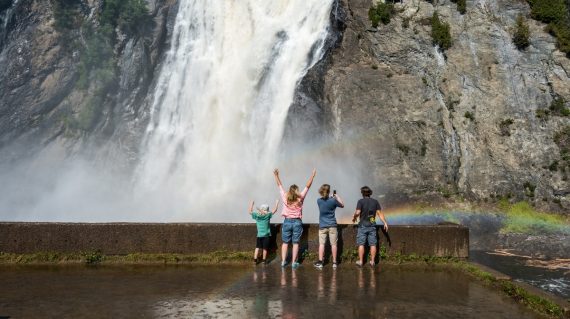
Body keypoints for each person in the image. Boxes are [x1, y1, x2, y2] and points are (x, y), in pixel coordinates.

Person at [274, 168, 316, 269]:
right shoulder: (300, 197)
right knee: (295, 243)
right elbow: (307, 186)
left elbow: (279, 186)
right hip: (297, 222)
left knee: (285, 243)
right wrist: (312, 176)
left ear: (289, 191)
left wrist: (276, 176)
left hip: (287, 221)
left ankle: (283, 261)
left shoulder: (285, 197)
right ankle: (293, 262)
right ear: (296, 191)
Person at [351, 186, 388, 267]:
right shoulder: (375, 202)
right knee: (373, 244)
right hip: (372, 225)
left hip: (362, 225)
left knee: (361, 244)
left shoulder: (360, 201)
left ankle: (361, 262)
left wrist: (354, 217)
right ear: (370, 193)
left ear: (362, 193)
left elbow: (358, 212)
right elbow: (379, 213)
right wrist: (385, 222)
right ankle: (372, 262)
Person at [314, 184, 344, 269]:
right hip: (332, 225)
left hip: (322, 225)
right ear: (329, 191)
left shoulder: (318, 201)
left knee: (322, 244)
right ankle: (334, 262)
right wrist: (336, 197)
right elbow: (342, 205)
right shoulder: (333, 200)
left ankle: (320, 262)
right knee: (334, 244)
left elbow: (324, 202)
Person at [249, 199, 279, 265]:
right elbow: (274, 210)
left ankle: (255, 260)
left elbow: (250, 212)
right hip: (266, 236)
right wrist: (276, 203)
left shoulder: (257, 216)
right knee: (265, 248)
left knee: (257, 247)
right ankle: (264, 261)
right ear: (267, 210)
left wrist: (251, 204)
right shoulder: (267, 215)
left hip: (259, 235)